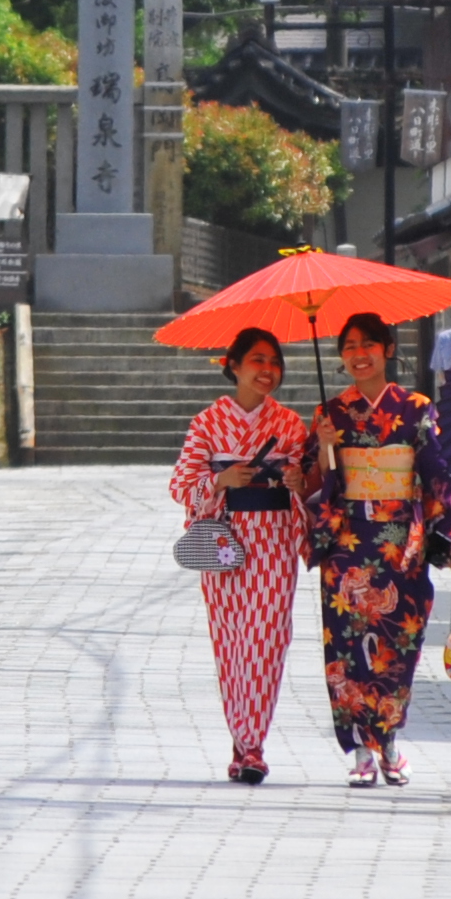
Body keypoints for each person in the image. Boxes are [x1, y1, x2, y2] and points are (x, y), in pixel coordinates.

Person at [307, 311, 451, 788]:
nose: (359, 354)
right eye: (349, 346)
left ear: (389, 350)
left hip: (403, 546)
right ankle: (359, 749)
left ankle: (390, 741)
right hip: (347, 543)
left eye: (369, 345)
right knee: (346, 648)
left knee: (400, 645)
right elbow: (314, 482)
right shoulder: (329, 414)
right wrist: (323, 449)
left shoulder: (417, 409)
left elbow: (441, 474)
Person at [167, 328, 311, 785]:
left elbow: (309, 482)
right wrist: (220, 481)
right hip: (224, 539)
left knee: (267, 640)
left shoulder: (289, 424)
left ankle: (253, 746)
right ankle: (241, 742)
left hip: (273, 539)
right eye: (257, 360)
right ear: (233, 364)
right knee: (232, 644)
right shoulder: (206, 423)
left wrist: (296, 481)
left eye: (275, 362)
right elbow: (180, 487)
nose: (267, 370)